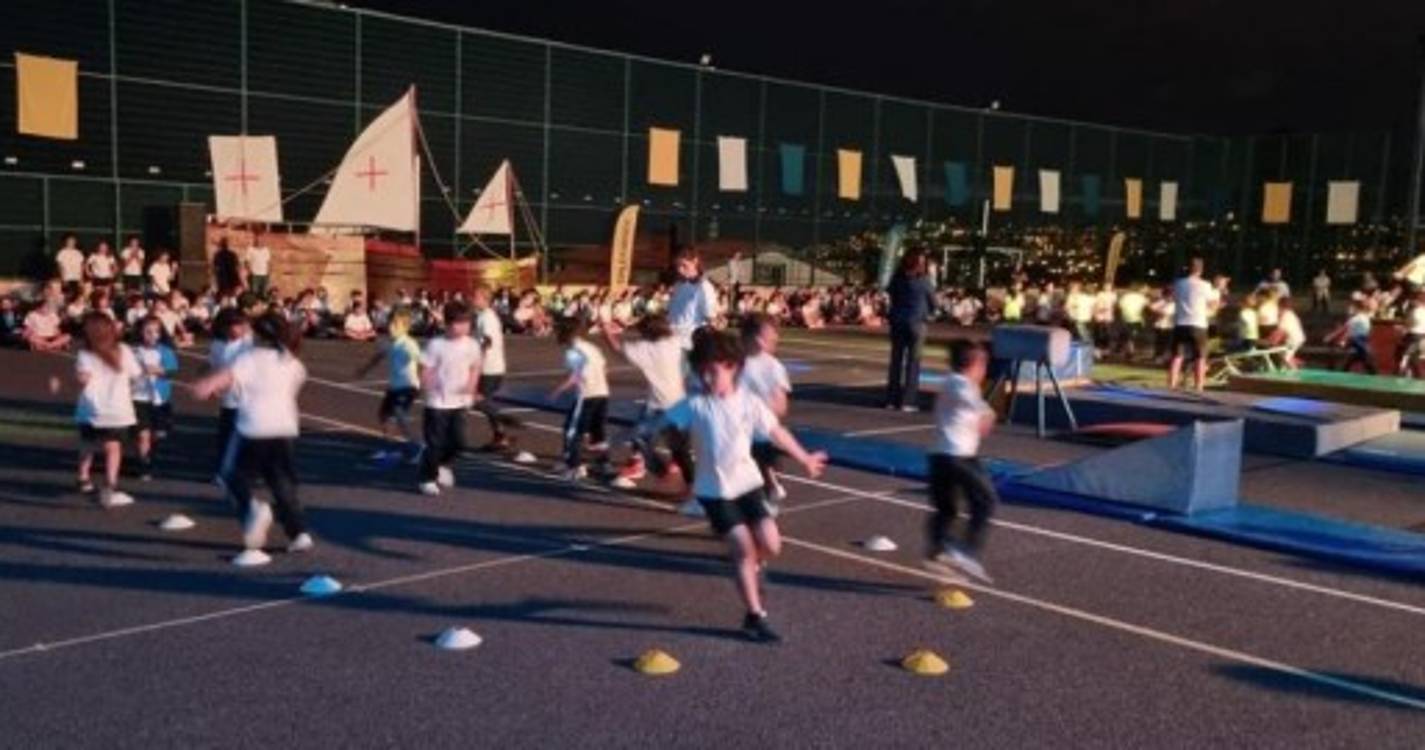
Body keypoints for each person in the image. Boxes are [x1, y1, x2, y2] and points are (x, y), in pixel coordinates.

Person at [661, 329, 827, 643]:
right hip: (714, 492)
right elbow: (661, 424)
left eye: (714, 371)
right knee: (741, 547)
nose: (709, 378)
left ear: (732, 367)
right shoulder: (694, 405)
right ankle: (754, 615)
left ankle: (753, 566)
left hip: (748, 484)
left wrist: (804, 458)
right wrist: (647, 437)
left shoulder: (749, 403)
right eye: (703, 372)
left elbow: (777, 433)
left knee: (771, 544)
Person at [192, 312, 313, 559]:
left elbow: (225, 378)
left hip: (252, 426)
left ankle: (253, 509)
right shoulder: (291, 362)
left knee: (229, 475)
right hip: (284, 428)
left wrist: (206, 386)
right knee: (282, 483)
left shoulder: (249, 358)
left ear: (258, 334)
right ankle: (299, 533)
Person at [923, 339, 998, 584]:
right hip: (957, 457)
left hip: (940, 457)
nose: (984, 371)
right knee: (986, 500)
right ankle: (966, 551)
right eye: (983, 365)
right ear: (975, 364)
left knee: (947, 509)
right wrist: (987, 414)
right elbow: (972, 402)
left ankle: (936, 553)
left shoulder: (954, 383)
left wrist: (984, 414)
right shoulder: (960, 383)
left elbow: (974, 406)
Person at [604, 313, 694, 495]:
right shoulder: (673, 343)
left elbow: (617, 348)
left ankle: (661, 472)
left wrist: (606, 331)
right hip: (681, 404)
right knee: (680, 451)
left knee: (641, 439)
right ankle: (691, 488)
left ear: (646, 333)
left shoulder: (645, 349)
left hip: (659, 407)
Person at [64, 312, 142, 508]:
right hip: (119, 409)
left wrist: (68, 382)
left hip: (91, 409)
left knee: (87, 443)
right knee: (113, 448)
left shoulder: (85, 354)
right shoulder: (123, 350)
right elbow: (136, 374)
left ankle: (83, 477)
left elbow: (83, 380)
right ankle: (110, 483)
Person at [418, 302, 482, 496]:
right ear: (447, 323)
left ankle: (444, 465)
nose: (463, 327)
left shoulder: (472, 344)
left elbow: (475, 366)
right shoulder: (436, 344)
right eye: (458, 323)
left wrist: (471, 387)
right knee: (435, 443)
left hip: (459, 402)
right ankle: (427, 478)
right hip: (437, 402)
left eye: (467, 323)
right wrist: (427, 386)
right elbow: (425, 368)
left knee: (459, 443)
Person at [739, 313, 793, 512]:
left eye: (774, 337)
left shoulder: (773, 367)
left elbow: (781, 405)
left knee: (760, 463)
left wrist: (764, 413)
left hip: (762, 430)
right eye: (768, 337)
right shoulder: (737, 363)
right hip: (742, 429)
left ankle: (770, 494)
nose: (774, 341)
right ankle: (769, 490)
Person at [549, 318, 611, 481]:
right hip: (602, 393)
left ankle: (574, 466)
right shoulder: (592, 347)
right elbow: (604, 368)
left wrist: (558, 390)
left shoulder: (573, 352)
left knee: (573, 431)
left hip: (586, 395)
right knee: (598, 431)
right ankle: (603, 463)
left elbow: (576, 376)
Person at [885, 249, 936, 412]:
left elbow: (891, 294)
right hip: (916, 324)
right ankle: (908, 401)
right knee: (913, 363)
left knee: (896, 361)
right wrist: (930, 312)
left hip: (898, 321)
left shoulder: (897, 279)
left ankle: (892, 400)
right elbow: (933, 302)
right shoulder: (924, 281)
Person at [130, 316, 178, 479]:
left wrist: (160, 370)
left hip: (159, 399)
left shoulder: (165, 351)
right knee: (142, 434)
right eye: (147, 331)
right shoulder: (133, 351)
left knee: (156, 434)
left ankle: (149, 455)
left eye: (156, 332)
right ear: (140, 332)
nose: (152, 335)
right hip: (138, 397)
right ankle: (144, 466)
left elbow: (172, 371)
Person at [208, 308, 252, 478]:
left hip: (247, 400)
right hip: (229, 400)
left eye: (243, 325)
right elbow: (214, 366)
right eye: (236, 326)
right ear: (225, 327)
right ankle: (222, 471)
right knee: (226, 438)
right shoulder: (218, 345)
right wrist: (214, 386)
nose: (241, 329)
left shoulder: (247, 344)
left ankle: (243, 471)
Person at [471, 286, 515, 452]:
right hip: (493, 366)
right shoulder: (483, 316)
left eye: (476, 296)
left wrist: (478, 364)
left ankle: (503, 426)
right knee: (482, 400)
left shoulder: (487, 317)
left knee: (478, 400)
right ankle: (500, 435)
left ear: (484, 299)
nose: (472, 299)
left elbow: (487, 342)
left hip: (489, 367)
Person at [1168, 258, 1213, 392]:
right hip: (1198, 323)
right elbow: (1211, 303)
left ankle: (1172, 384)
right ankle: (1199, 385)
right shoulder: (1205, 285)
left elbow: (1174, 298)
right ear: (1201, 270)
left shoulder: (1179, 283)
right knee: (1200, 356)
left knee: (1177, 355)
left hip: (1181, 322)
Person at [667, 247, 720, 351]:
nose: (680, 270)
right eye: (677, 266)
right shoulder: (678, 285)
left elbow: (711, 317)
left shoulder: (704, 287)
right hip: (672, 342)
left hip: (690, 345)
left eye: (684, 265)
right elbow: (672, 314)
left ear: (695, 261)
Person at [1326, 299, 1377, 375]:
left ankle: (1344, 370)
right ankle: (1345, 370)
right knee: (1361, 359)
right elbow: (1347, 330)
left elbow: (1342, 329)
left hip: (1358, 341)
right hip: (1360, 341)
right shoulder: (1364, 317)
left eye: (1353, 308)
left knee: (1363, 358)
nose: (1351, 309)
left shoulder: (1356, 319)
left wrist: (1330, 337)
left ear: (1357, 308)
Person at [1268, 297, 1306, 370]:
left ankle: (1295, 372)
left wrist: (1272, 340)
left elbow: (1281, 331)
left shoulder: (1285, 315)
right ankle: (1298, 364)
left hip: (1294, 339)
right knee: (1285, 355)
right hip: (1297, 338)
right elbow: (1281, 331)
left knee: (1286, 358)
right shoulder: (1290, 313)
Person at [1116, 283, 1148, 358]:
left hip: (1126, 319)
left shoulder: (1125, 297)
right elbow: (1148, 307)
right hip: (1136, 320)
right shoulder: (1142, 297)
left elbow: (1119, 306)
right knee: (1131, 336)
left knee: (1129, 336)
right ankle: (1130, 352)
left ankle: (1127, 350)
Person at [246, 233, 272, 298]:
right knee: (254, 293)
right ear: (254, 239)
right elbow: (247, 262)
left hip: (264, 275)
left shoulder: (266, 250)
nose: (258, 240)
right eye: (257, 239)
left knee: (264, 294)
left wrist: (268, 273)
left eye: (260, 239)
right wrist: (250, 272)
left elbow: (268, 262)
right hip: (254, 275)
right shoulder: (250, 249)